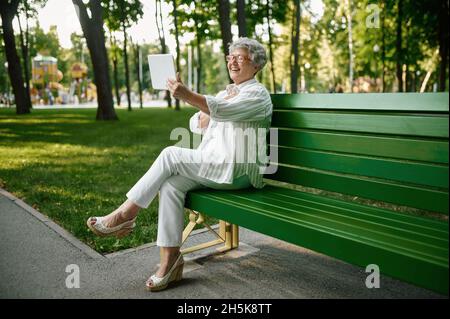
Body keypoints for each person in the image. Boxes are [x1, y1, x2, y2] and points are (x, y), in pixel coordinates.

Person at [87, 37, 273, 292]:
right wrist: (210, 108)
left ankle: (125, 214)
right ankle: (170, 262)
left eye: (240, 58)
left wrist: (188, 95)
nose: (232, 62)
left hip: (238, 171)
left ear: (256, 65)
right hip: (215, 166)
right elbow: (196, 124)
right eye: (230, 57)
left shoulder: (258, 95)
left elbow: (222, 111)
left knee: (170, 154)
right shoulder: (227, 93)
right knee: (172, 185)